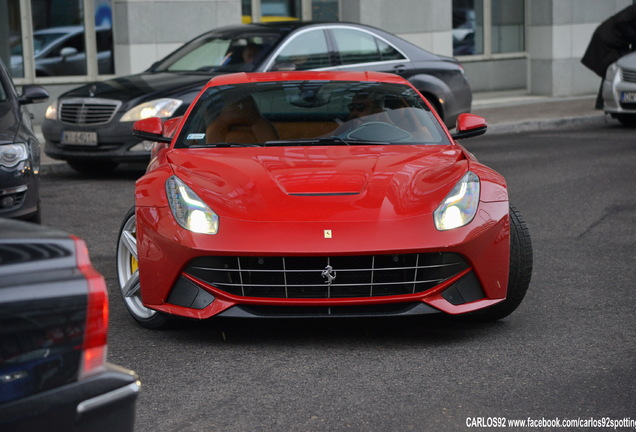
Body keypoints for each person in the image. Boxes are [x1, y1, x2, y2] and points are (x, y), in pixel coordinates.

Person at [581, 5, 636, 108]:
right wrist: (633, 37)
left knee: (611, 69)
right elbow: (621, 23)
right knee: (612, 68)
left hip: (614, 42)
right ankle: (603, 102)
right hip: (607, 40)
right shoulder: (633, 10)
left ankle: (602, 102)